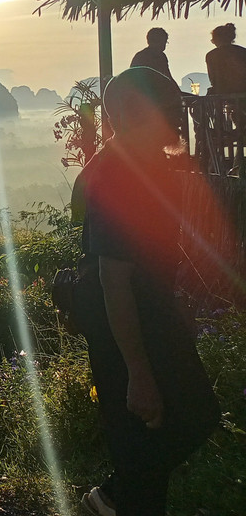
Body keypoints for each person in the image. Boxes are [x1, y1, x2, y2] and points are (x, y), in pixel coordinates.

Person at [74, 67, 218, 516]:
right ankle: (120, 497)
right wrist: (137, 372)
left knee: (188, 418)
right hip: (125, 323)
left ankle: (116, 496)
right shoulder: (118, 175)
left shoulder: (149, 165)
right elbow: (114, 280)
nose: (177, 122)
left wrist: (177, 303)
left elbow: (156, 248)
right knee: (152, 427)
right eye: (168, 112)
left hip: (152, 312)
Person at [205, 22, 246, 95]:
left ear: (217, 39)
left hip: (222, 94)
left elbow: (213, 80)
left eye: (213, 40)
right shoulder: (243, 51)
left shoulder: (211, 55)